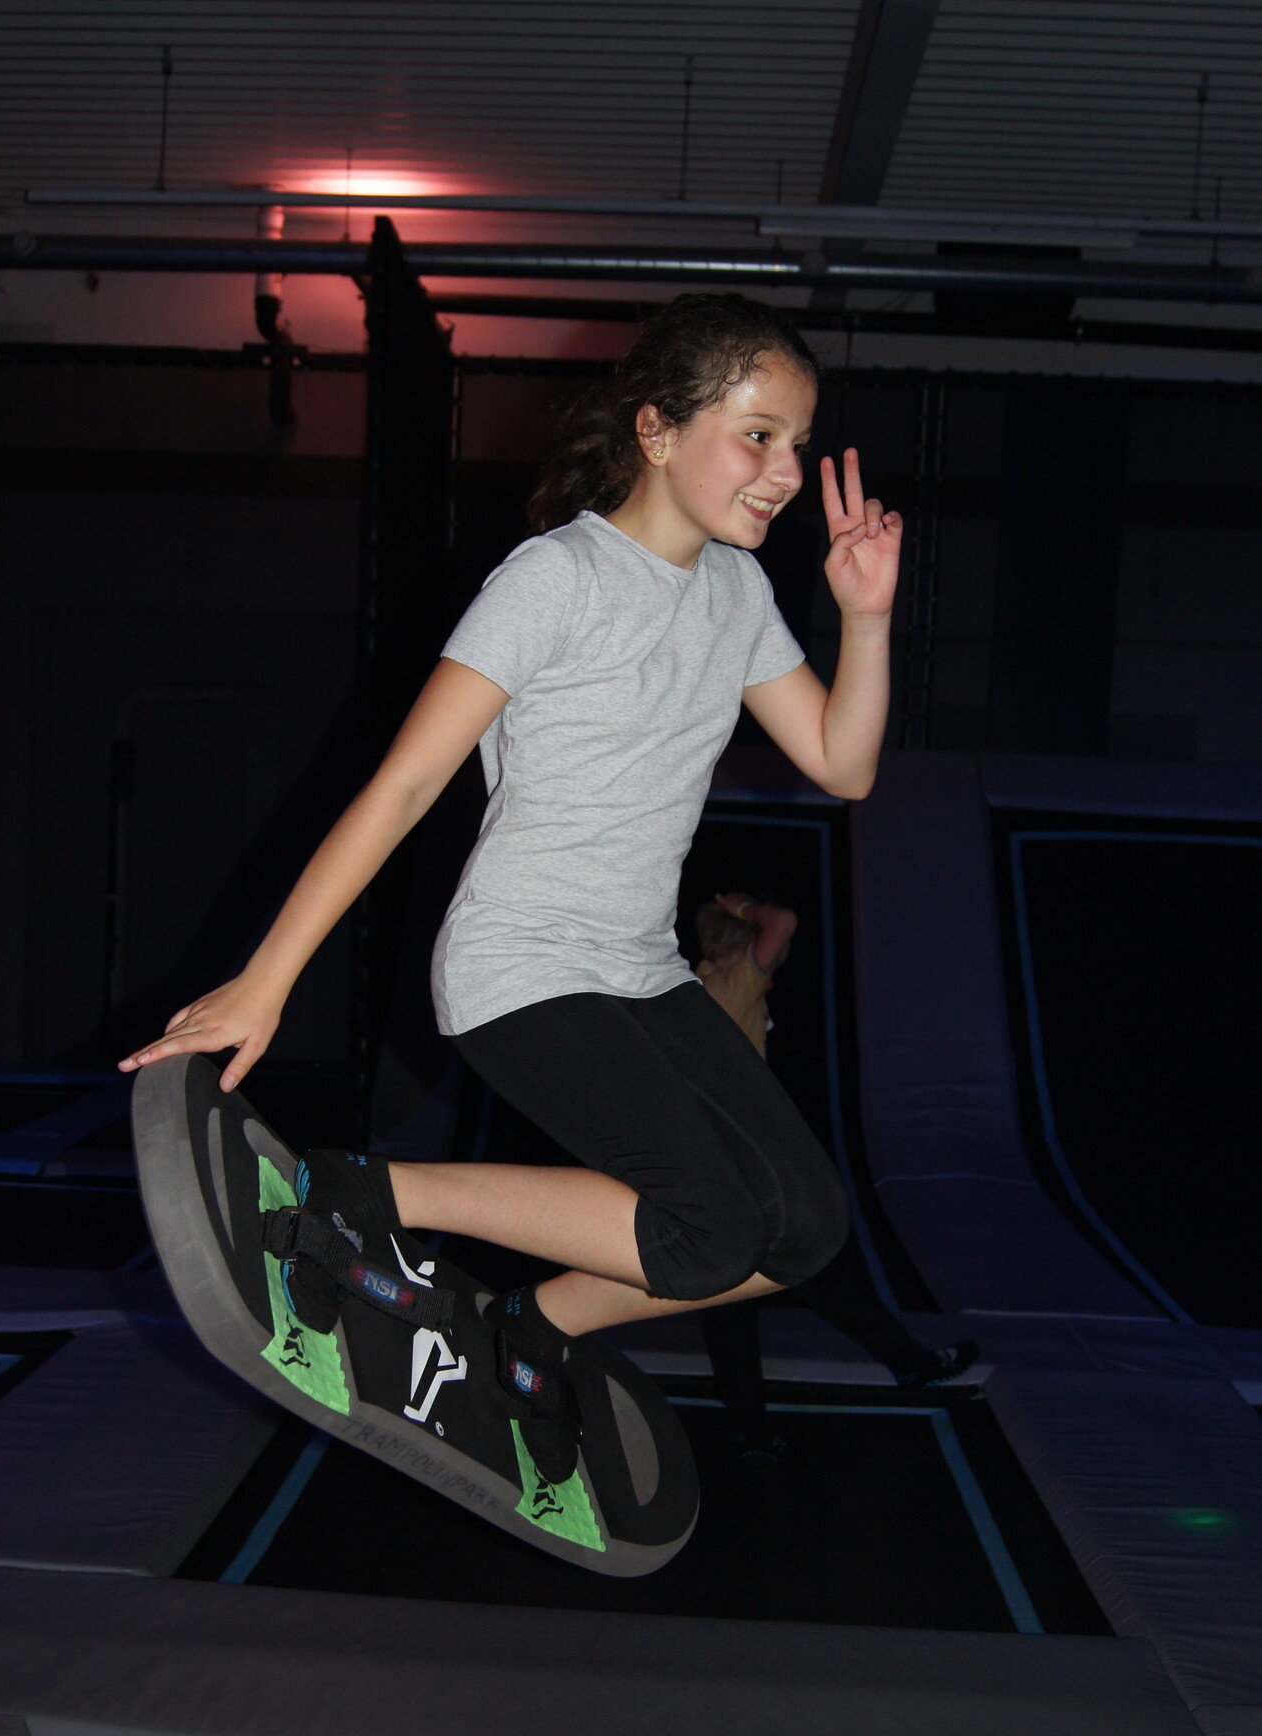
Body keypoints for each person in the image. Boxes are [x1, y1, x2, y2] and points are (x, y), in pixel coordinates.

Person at [120, 292, 900, 1484]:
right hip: (522, 963)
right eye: (758, 435)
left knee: (805, 1225)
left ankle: (536, 1327)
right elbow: (401, 786)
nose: (786, 471)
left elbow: (843, 764)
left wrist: (866, 617)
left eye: (796, 442)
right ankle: (362, 1191)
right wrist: (264, 982)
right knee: (708, 1233)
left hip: (637, 968)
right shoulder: (556, 577)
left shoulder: (735, 595)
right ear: (656, 429)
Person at [691, 894, 979, 1450]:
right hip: (743, 1165)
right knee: (797, 1268)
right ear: (741, 942)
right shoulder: (733, 984)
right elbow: (784, 922)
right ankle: (903, 1364)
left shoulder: (694, 987)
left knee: (747, 1285)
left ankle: (751, 1420)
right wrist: (740, 905)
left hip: (718, 1162)